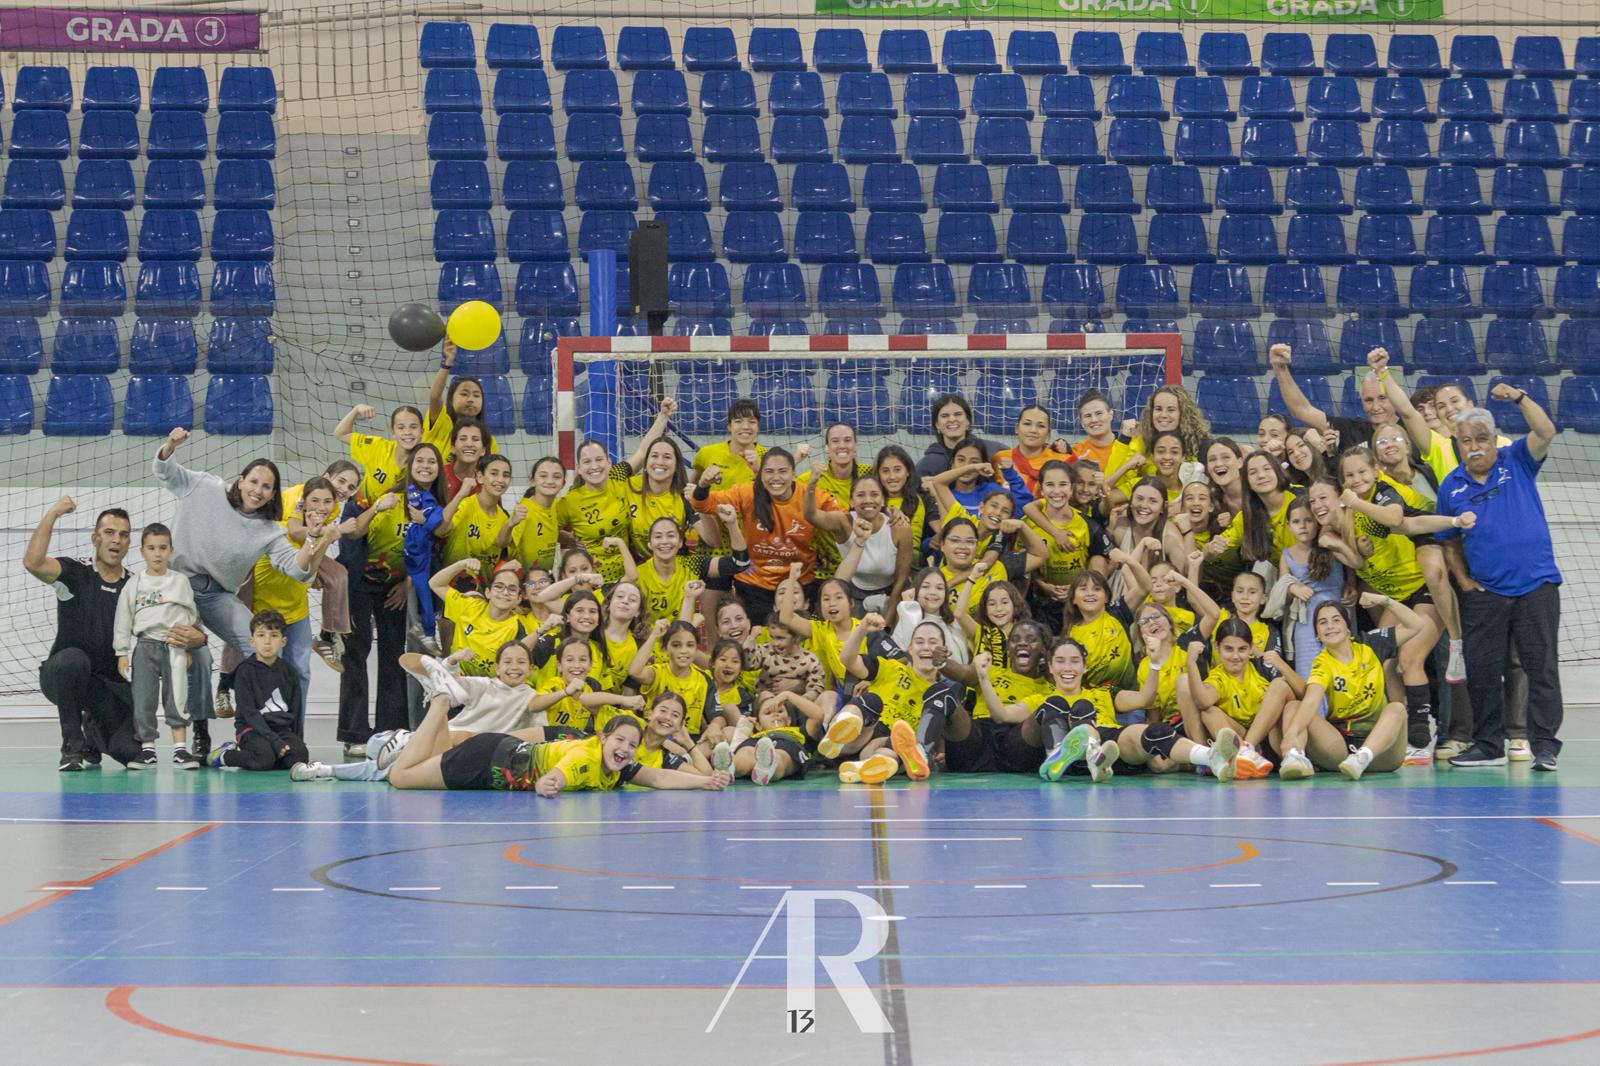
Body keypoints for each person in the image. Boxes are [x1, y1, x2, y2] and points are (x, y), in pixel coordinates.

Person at [1433, 393, 1563, 771]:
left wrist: (1521, 398)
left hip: (1536, 585)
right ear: (1459, 445)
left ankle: (1545, 746)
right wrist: (1464, 581)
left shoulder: (1517, 460)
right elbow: (1449, 543)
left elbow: (1546, 429)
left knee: (1541, 669)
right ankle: (1488, 745)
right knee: (1483, 671)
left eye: (1481, 439)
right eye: (1466, 441)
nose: (1474, 448)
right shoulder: (1450, 486)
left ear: (1494, 440)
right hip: (1485, 594)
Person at [25, 498, 157, 770]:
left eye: (123, 535)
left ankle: (92, 735)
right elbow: (33, 562)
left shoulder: (135, 586)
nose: (116, 540)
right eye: (109, 533)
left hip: (104, 686)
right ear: (95, 538)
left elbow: (159, 623)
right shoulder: (76, 572)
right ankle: (72, 747)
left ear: (129, 542)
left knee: (129, 752)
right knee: (74, 660)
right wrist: (52, 513)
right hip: (62, 675)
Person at [386, 697, 730, 794]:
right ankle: (440, 703)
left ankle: (440, 707)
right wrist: (552, 782)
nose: (625, 748)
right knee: (400, 777)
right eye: (619, 740)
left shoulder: (620, 767)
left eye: (631, 744)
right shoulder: (585, 754)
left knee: (431, 755)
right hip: (484, 762)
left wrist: (705, 781)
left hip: (497, 751)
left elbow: (658, 778)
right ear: (602, 739)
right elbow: (563, 773)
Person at [1277, 595, 1430, 781]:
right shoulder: (1322, 663)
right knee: (1293, 707)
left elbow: (1415, 624)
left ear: (1348, 627)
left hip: (1383, 752)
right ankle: (1295, 757)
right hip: (1342, 750)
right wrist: (1291, 734)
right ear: (1317, 634)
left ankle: (1363, 756)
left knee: (1396, 708)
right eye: (1323, 622)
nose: (1330, 626)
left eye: (1336, 620)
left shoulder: (1370, 644)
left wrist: (1382, 600)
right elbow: (1311, 701)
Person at [690, 447, 835, 624]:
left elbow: (844, 520)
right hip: (754, 586)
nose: (776, 478)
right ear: (761, 474)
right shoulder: (746, 492)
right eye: (769, 471)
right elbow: (703, 504)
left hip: (799, 584)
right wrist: (703, 484)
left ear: (793, 473)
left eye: (783, 471)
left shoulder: (812, 496)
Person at [114, 523, 206, 769]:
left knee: (177, 696)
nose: (157, 553)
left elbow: (191, 614)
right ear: (142, 551)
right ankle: (147, 749)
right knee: (144, 698)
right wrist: (121, 651)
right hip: (145, 646)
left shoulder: (180, 582)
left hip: (174, 645)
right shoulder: (134, 584)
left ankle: (180, 750)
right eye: (152, 548)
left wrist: (186, 646)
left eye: (163, 548)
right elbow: (123, 618)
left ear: (170, 551)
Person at [208, 610, 311, 773]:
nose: (267, 642)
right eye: (261, 635)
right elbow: (249, 714)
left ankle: (272, 753)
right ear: (252, 641)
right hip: (251, 729)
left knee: (299, 757)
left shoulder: (290, 672)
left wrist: (297, 741)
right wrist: (275, 742)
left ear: (283, 641)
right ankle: (224, 755)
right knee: (263, 760)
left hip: (280, 730)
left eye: (274, 635)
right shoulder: (244, 672)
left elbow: (296, 711)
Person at [808, 472, 913, 612]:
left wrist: (888, 623)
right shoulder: (843, 522)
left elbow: (901, 580)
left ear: (882, 500)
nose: (868, 500)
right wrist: (811, 484)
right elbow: (810, 515)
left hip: (890, 593)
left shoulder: (899, 527)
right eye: (860, 495)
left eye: (874, 494)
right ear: (851, 501)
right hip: (853, 593)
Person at [1269, 342, 1395, 452]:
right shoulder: (1352, 430)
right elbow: (1302, 410)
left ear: (1395, 398)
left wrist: (1382, 369)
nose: (1376, 406)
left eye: (1382, 398)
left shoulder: (1410, 427)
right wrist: (1280, 369)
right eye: (1368, 400)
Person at [502, 456, 566, 577]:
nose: (550, 481)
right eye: (543, 476)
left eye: (556, 477)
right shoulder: (524, 512)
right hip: (523, 581)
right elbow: (504, 545)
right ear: (532, 481)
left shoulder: (558, 506)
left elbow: (547, 531)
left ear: (563, 483)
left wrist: (568, 539)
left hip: (544, 579)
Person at [916, 393, 1004, 479]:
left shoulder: (994, 450)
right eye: (945, 416)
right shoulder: (927, 465)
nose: (952, 419)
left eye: (958, 414)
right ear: (937, 425)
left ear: (968, 421)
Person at [994, 405, 1073, 495]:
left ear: (1048, 433)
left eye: (1041, 426)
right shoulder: (1000, 458)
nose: (1033, 430)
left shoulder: (1064, 461)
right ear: (1017, 428)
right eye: (1027, 424)